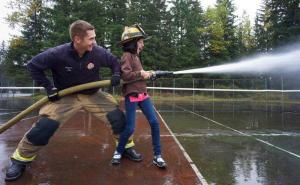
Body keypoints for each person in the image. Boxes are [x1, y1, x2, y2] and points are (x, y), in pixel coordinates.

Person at [5, 20, 142, 182]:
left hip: (92, 94)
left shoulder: (97, 52)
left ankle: (126, 147)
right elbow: (33, 65)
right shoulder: (57, 54)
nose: (94, 42)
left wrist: (116, 74)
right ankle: (20, 159)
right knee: (44, 127)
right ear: (77, 39)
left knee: (118, 118)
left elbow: (113, 62)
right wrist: (49, 88)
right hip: (66, 96)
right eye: (91, 39)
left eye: (94, 38)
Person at [111, 24, 167, 168]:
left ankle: (158, 156)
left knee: (154, 123)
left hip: (143, 96)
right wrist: (140, 73)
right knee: (130, 128)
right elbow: (126, 75)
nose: (142, 44)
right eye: (141, 41)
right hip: (132, 96)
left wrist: (147, 73)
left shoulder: (136, 56)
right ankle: (118, 152)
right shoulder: (127, 56)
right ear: (133, 42)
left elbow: (138, 75)